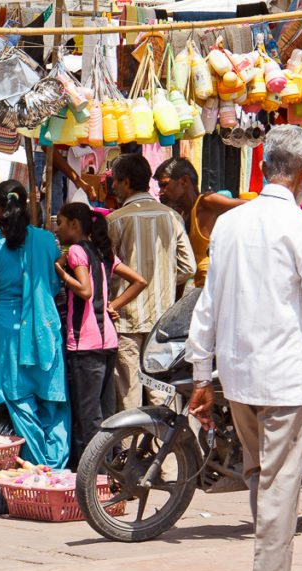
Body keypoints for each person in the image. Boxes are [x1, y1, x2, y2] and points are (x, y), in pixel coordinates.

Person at [186, 126, 302, 571]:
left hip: (240, 378)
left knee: (260, 478)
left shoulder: (230, 225)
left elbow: (208, 303)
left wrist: (203, 374)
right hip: (286, 381)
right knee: (279, 485)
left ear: (265, 164)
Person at [0, 180, 70, 469]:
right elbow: (52, 283)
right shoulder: (46, 240)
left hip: (4, 329)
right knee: (52, 398)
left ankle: (38, 464)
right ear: (24, 206)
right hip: (43, 326)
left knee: (18, 399)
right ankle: (56, 465)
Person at [54, 202, 147, 469]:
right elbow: (139, 280)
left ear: (74, 225)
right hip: (108, 342)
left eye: (60, 223)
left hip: (85, 344)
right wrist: (112, 306)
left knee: (89, 416)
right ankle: (109, 471)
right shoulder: (102, 251)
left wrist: (62, 273)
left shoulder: (76, 251)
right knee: (107, 413)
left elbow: (83, 291)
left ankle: (92, 475)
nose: (57, 229)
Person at [106, 154, 195, 412]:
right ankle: (163, 450)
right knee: (160, 390)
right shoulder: (172, 217)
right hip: (162, 318)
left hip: (125, 318)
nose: (112, 187)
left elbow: (107, 269)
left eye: (114, 181)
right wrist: (165, 280)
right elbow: (187, 267)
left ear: (125, 183)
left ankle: (126, 450)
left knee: (128, 392)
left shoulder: (116, 220)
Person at [153, 157, 246, 288]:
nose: (161, 192)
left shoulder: (207, 202)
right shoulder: (180, 214)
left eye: (164, 185)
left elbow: (254, 205)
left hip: (218, 293)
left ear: (184, 181)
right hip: (201, 293)